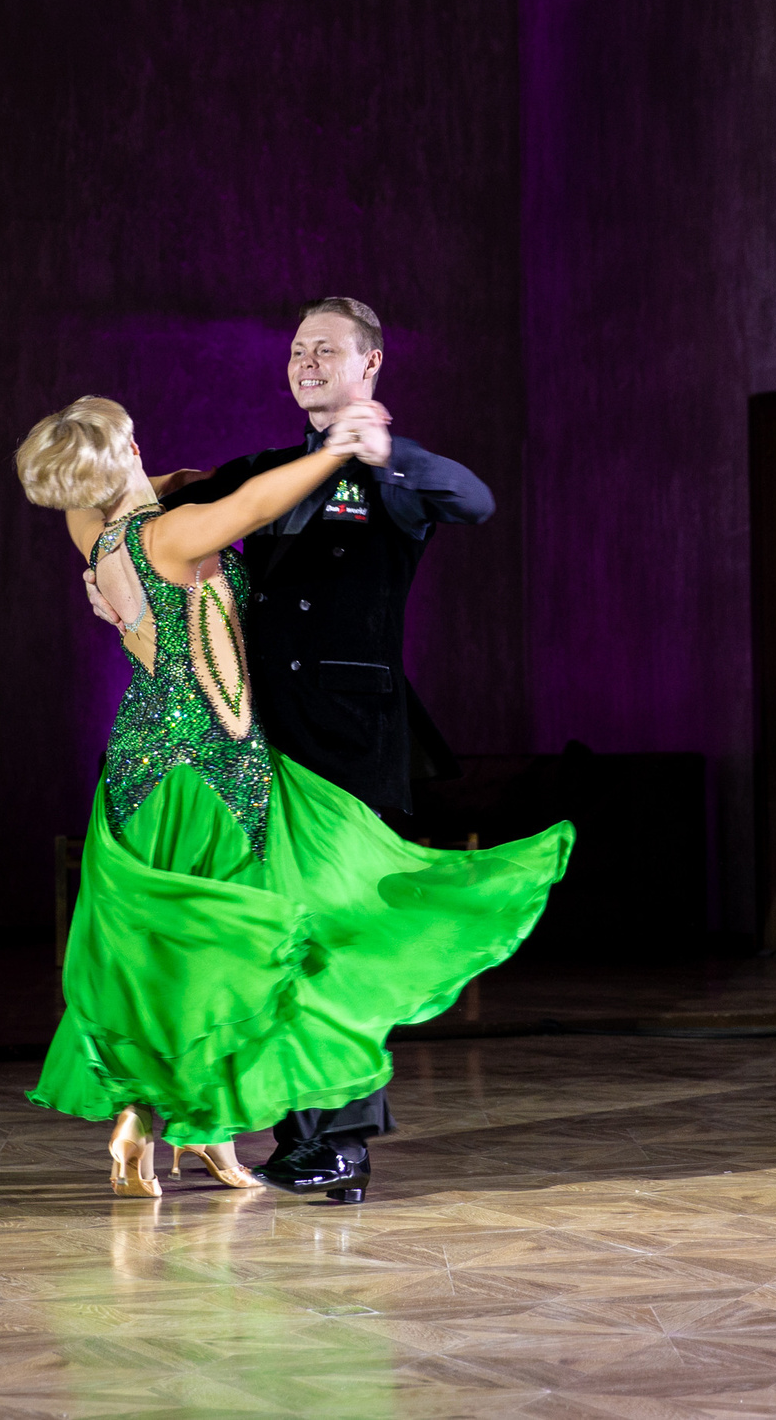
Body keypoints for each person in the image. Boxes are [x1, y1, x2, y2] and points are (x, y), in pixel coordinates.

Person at [15, 395, 568, 1202]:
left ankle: (171, 1122)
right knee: (240, 940)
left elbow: (176, 482)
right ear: (128, 449)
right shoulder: (171, 533)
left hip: (138, 764)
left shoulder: (90, 530)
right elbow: (249, 505)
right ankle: (185, 1120)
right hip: (209, 766)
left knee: (174, 945)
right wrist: (337, 450)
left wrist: (176, 477)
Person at [99, 297, 499, 1199]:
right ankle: (304, 1136)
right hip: (264, 735)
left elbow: (474, 500)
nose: (306, 361)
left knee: (339, 936)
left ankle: (342, 1141)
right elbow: (151, 511)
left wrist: (385, 452)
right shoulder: (266, 469)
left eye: (326, 348)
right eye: (296, 350)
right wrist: (108, 566)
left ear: (372, 364)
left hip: (354, 739)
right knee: (283, 934)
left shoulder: (396, 473)